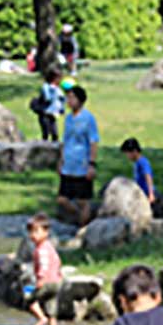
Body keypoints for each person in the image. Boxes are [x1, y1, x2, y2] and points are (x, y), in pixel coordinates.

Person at [57, 85, 99, 225]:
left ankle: (82, 229)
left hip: (82, 164)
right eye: (67, 98)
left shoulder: (88, 119)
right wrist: (60, 160)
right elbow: (65, 140)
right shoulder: (68, 118)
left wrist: (92, 164)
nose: (69, 101)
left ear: (80, 100)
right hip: (68, 165)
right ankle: (79, 217)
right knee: (62, 199)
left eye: (72, 97)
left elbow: (94, 142)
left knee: (83, 201)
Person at [24, 213, 63, 325]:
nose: (32, 235)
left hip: (46, 281)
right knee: (51, 304)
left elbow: (43, 264)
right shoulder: (50, 246)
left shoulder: (41, 249)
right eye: (30, 232)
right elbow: (58, 261)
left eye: (36, 231)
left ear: (46, 233)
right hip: (56, 282)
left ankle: (41, 318)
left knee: (28, 295)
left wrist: (41, 278)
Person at [121, 138, 155, 203]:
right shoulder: (137, 162)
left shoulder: (143, 162)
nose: (127, 156)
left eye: (127, 153)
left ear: (134, 151)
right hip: (140, 193)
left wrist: (151, 194)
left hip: (146, 193)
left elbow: (148, 176)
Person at [35, 69, 64, 143]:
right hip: (45, 114)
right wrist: (53, 90)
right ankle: (43, 150)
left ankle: (56, 152)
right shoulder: (46, 87)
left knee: (55, 134)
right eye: (59, 78)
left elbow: (61, 99)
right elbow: (48, 98)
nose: (61, 80)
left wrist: (61, 108)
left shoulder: (58, 88)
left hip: (52, 115)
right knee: (46, 134)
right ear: (54, 78)